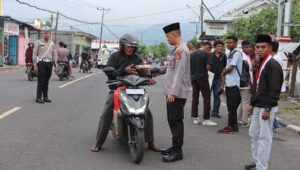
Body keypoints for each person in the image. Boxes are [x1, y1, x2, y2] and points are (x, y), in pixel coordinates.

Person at [90, 34, 161, 153]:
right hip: (118, 89)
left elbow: (142, 73)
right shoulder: (115, 57)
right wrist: (124, 71)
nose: (130, 49)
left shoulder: (137, 59)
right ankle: (98, 142)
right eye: (128, 46)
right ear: (122, 46)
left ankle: (151, 142)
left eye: (132, 47)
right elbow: (109, 72)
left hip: (135, 89)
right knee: (106, 112)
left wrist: (148, 78)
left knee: (147, 112)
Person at [245, 35, 283, 170]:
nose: (259, 49)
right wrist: (251, 103)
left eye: (263, 47)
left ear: (270, 48)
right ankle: (256, 161)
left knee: (264, 138)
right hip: (257, 104)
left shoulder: (273, 64)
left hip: (267, 106)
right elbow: (256, 87)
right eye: (258, 47)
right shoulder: (261, 62)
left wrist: (268, 109)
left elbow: (275, 90)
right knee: (253, 134)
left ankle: (261, 167)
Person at [160, 22, 190, 162]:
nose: (167, 39)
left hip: (176, 94)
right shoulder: (177, 49)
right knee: (172, 120)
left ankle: (178, 151)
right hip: (173, 93)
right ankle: (174, 146)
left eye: (168, 37)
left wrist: (172, 93)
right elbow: (171, 70)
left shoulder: (181, 50)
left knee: (176, 121)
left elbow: (179, 73)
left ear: (174, 35)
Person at [218, 35, 243, 133]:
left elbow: (231, 67)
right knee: (230, 106)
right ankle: (234, 125)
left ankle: (231, 126)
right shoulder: (230, 53)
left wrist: (223, 72)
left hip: (234, 84)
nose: (228, 44)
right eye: (227, 43)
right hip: (229, 83)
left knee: (232, 106)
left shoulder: (237, 53)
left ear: (236, 43)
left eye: (230, 42)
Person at [190, 42, 217, 126]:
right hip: (203, 77)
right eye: (210, 48)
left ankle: (195, 118)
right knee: (206, 98)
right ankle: (206, 119)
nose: (210, 50)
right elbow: (208, 67)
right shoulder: (207, 54)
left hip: (194, 77)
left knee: (195, 97)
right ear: (208, 47)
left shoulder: (192, 54)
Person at [33, 26, 57, 104]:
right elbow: (34, 54)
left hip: (49, 63)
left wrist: (55, 66)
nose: (45, 34)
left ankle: (45, 96)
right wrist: (35, 65)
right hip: (41, 63)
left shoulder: (52, 44)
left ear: (49, 34)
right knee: (41, 81)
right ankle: (38, 97)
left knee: (46, 81)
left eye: (47, 33)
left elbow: (54, 55)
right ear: (42, 34)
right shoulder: (38, 42)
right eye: (44, 33)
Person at [237, 40, 254, 128]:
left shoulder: (245, 56)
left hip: (243, 83)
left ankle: (238, 119)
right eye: (246, 47)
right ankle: (244, 121)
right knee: (246, 102)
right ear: (242, 48)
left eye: (250, 47)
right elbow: (244, 73)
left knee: (243, 102)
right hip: (245, 83)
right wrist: (249, 84)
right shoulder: (243, 58)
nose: (249, 48)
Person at [271, 41, 286, 134]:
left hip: (275, 86)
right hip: (276, 86)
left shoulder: (275, 59)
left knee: (271, 106)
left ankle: (275, 125)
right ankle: (274, 125)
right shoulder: (277, 58)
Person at [210, 40, 227, 118]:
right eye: (218, 46)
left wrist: (223, 82)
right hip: (209, 78)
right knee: (207, 96)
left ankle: (215, 112)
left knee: (217, 96)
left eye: (221, 46)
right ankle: (206, 111)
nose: (220, 48)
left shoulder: (224, 56)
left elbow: (224, 68)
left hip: (218, 79)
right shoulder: (210, 55)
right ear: (214, 47)